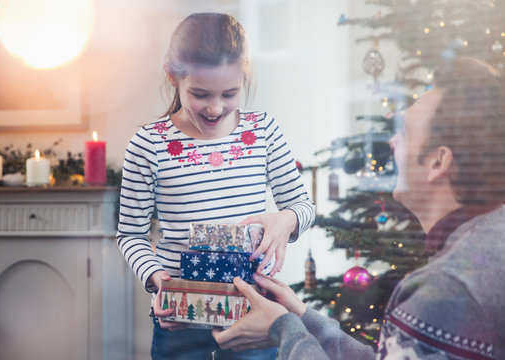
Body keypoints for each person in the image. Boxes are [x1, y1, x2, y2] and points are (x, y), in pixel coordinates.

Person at [212, 57, 505, 360]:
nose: (392, 142)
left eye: (405, 133)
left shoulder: (449, 290)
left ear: (437, 162)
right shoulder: (489, 238)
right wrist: (299, 316)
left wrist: (283, 328)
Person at [116, 12, 315, 360]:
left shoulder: (263, 131)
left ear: (245, 77)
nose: (215, 107)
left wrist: (286, 220)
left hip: (255, 314)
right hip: (181, 318)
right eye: (200, 93)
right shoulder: (148, 144)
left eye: (230, 93)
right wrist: (157, 278)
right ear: (172, 75)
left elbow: (304, 206)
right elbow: (130, 234)